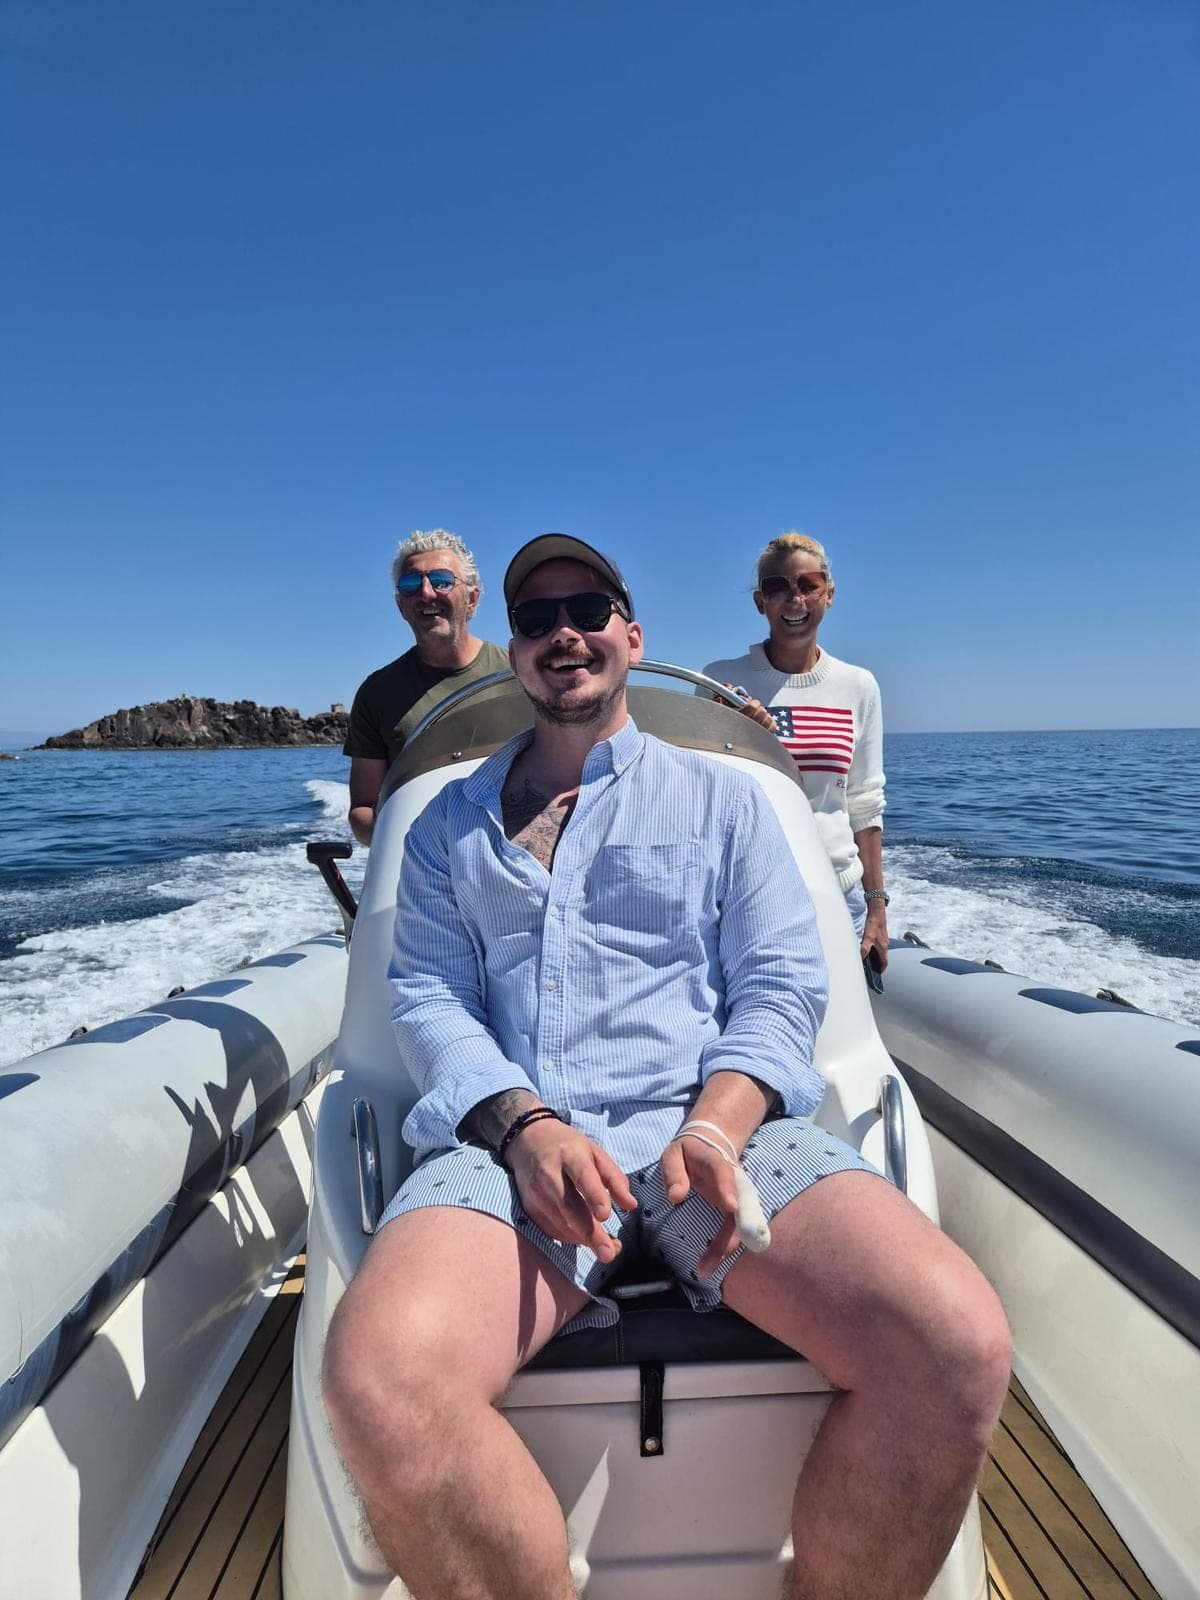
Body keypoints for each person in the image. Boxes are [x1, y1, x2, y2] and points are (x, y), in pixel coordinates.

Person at [322, 533, 1011, 1600]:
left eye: (588, 609)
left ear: (630, 639)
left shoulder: (724, 802)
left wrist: (712, 1127)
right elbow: (427, 996)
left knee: (953, 1342)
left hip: (712, 1141)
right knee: (378, 1380)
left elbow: (782, 988)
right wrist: (525, 1125)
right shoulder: (446, 830)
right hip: (518, 1155)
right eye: (539, 619)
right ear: (512, 654)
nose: (566, 633)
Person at [704, 530, 891, 971]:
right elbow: (702, 791)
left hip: (836, 891)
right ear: (759, 602)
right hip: (745, 893)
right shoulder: (718, 681)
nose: (795, 600)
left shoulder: (858, 686)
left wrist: (877, 908)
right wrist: (738, 737)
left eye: (808, 585)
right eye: (777, 588)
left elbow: (864, 802)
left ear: (829, 593)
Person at [343, 529, 509, 844]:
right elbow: (363, 808)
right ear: (400, 605)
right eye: (410, 584)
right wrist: (415, 837)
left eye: (442, 581)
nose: (426, 593)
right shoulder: (376, 694)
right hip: (419, 875)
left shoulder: (519, 675)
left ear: (471, 600)